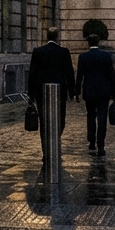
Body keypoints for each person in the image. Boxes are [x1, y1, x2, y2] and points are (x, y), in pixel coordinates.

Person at [28, 27, 76, 156]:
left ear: (47, 37)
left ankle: (46, 151)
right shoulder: (64, 52)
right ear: (57, 37)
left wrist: (30, 94)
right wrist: (73, 92)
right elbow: (69, 73)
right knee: (60, 119)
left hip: (41, 92)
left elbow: (32, 73)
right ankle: (55, 140)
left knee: (44, 121)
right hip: (60, 91)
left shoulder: (38, 51)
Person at [75, 34, 115, 155]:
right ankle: (101, 145)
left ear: (88, 43)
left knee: (90, 116)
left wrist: (77, 91)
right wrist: (114, 92)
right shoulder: (106, 56)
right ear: (98, 42)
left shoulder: (83, 56)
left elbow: (80, 75)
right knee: (102, 118)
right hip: (104, 92)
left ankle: (92, 142)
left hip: (89, 92)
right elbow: (112, 76)